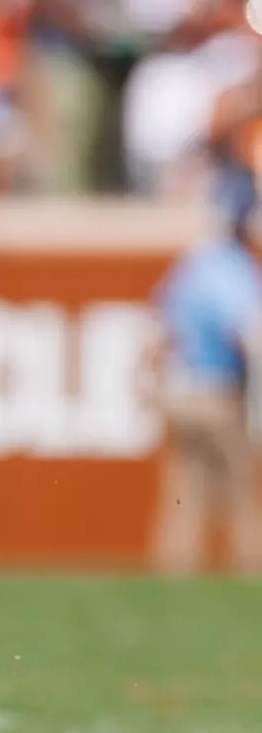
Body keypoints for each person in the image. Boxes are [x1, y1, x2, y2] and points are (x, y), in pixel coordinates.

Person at [153, 191, 262, 575]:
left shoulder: (192, 265)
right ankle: (252, 569)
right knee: (242, 489)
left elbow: (161, 326)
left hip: (179, 389)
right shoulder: (236, 269)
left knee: (185, 492)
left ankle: (174, 574)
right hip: (217, 390)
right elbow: (247, 334)